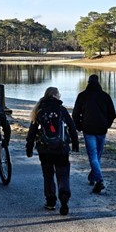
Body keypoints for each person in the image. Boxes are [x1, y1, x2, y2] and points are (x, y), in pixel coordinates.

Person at [26, 87, 79, 215]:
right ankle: (64, 195)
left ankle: (50, 201)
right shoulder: (61, 110)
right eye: (59, 94)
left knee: (48, 173)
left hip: (45, 149)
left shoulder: (39, 110)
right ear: (55, 95)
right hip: (61, 148)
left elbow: (32, 130)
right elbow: (72, 127)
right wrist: (75, 144)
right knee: (63, 173)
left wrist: (29, 147)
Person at [72, 74, 116, 194]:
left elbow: (75, 114)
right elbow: (112, 114)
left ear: (88, 82)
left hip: (89, 129)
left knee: (93, 155)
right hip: (101, 129)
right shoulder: (105, 96)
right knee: (97, 156)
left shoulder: (82, 96)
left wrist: (79, 126)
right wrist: (107, 124)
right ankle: (95, 178)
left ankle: (98, 179)